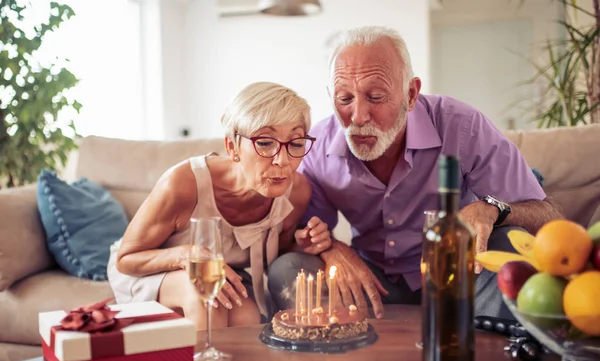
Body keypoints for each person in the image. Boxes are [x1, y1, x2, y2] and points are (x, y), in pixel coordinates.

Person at [267, 26, 564, 320]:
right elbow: (304, 233)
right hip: (372, 283)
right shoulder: (317, 145)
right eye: (344, 99)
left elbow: (549, 216)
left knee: (511, 241)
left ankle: (473, 347)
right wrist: (330, 247)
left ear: (410, 94)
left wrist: (491, 209)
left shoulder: (461, 126)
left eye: (375, 97)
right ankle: (353, 353)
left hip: (459, 278)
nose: (357, 117)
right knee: (289, 269)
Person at [107, 82, 332, 330]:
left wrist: (300, 244)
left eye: (296, 143)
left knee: (246, 318)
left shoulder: (296, 192)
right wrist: (186, 255)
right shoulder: (183, 183)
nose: (283, 160)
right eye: (265, 143)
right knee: (205, 296)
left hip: (219, 275)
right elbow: (126, 259)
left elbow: (272, 259)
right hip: (151, 271)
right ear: (232, 147)